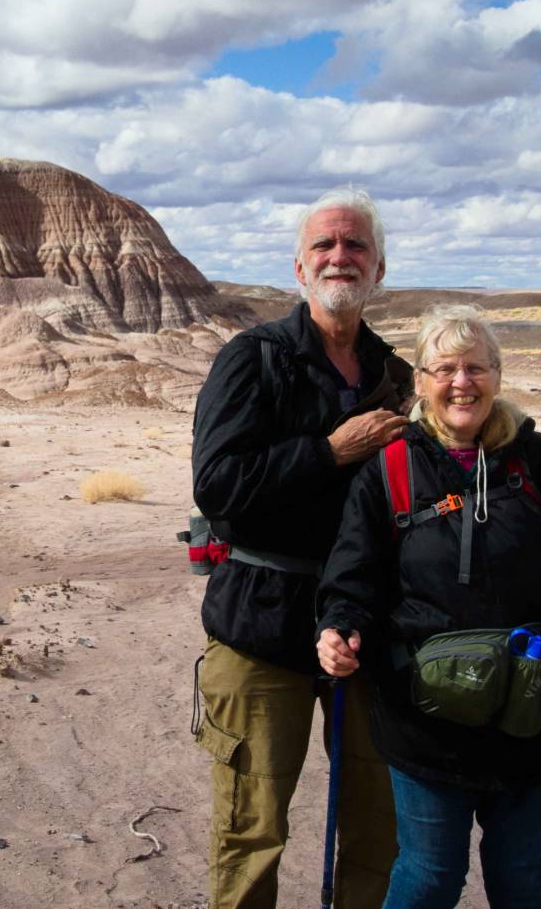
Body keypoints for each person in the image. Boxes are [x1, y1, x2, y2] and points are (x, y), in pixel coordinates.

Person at [315, 305, 541, 909]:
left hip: (530, 707)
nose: (462, 382)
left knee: (521, 873)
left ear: (498, 376)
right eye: (445, 369)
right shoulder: (390, 470)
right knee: (430, 874)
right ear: (420, 381)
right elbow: (351, 578)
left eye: (476, 368)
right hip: (425, 718)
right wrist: (339, 627)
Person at [191, 185, 417, 909]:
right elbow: (217, 486)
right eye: (324, 244)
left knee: (378, 826)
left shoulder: (393, 375)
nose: (339, 256)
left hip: (367, 628)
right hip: (261, 626)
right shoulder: (252, 359)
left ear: (378, 269)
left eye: (355, 245)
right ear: (299, 268)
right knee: (251, 831)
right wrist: (328, 451)